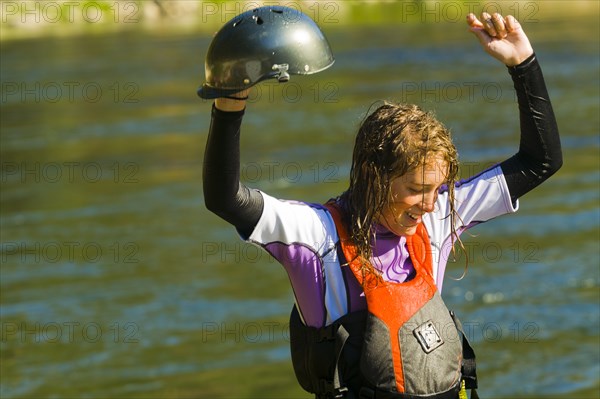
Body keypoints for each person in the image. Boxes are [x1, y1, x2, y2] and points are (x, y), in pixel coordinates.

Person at [202, 10, 562, 399]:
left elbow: (540, 161)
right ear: (375, 178)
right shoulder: (314, 236)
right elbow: (225, 198)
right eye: (416, 189)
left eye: (438, 188)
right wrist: (230, 103)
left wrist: (523, 63)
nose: (430, 203)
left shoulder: (439, 215)